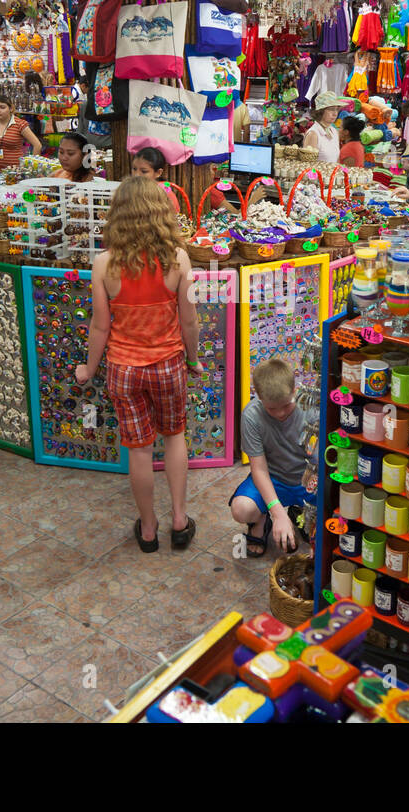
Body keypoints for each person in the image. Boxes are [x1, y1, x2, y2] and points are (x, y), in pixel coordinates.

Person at [75, 177, 203, 553]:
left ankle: (148, 529)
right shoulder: (178, 259)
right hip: (168, 365)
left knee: (140, 449)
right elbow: (189, 320)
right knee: (174, 436)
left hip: (124, 369)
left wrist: (88, 368)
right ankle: (179, 520)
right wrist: (192, 359)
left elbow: (100, 325)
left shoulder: (103, 264)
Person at [230, 358, 308, 557]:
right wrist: (276, 511)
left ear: (295, 391)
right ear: (258, 397)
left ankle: (300, 511)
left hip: (308, 479)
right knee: (241, 509)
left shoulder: (311, 409)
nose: (281, 413)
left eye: (286, 406)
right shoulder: (251, 416)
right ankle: (262, 519)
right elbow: (259, 468)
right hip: (274, 479)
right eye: (272, 408)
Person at [0, 92, 42, 172]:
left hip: (14, 172)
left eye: (2, 107)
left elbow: (37, 145)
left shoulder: (20, 124)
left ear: (10, 109)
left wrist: (32, 168)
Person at [303, 92, 346, 163]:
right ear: (321, 111)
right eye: (331, 109)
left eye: (336, 109)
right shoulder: (313, 134)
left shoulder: (334, 132)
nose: (335, 113)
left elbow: (336, 160)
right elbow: (307, 165)